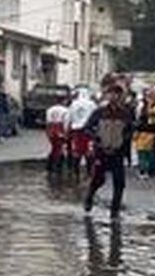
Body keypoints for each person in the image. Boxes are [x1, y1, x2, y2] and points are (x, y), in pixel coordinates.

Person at [83, 84, 134, 217]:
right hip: (101, 151)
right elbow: (87, 128)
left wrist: (123, 141)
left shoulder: (125, 113)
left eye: (117, 94)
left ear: (121, 96)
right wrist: (97, 139)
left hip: (118, 152)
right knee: (99, 179)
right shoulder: (99, 112)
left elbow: (130, 131)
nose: (114, 97)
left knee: (120, 182)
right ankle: (89, 196)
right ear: (107, 95)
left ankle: (114, 210)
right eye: (111, 94)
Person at [67, 88, 97, 176]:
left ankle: (76, 171)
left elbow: (69, 117)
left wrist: (68, 129)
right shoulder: (92, 104)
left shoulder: (73, 104)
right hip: (89, 130)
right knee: (89, 150)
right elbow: (96, 116)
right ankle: (89, 171)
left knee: (77, 150)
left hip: (76, 130)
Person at [45, 96, 71, 172]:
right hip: (60, 128)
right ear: (63, 101)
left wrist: (48, 132)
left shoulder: (50, 109)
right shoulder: (65, 110)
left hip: (52, 129)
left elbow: (48, 122)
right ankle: (56, 165)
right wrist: (66, 133)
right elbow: (66, 123)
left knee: (55, 147)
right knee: (59, 148)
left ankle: (51, 165)